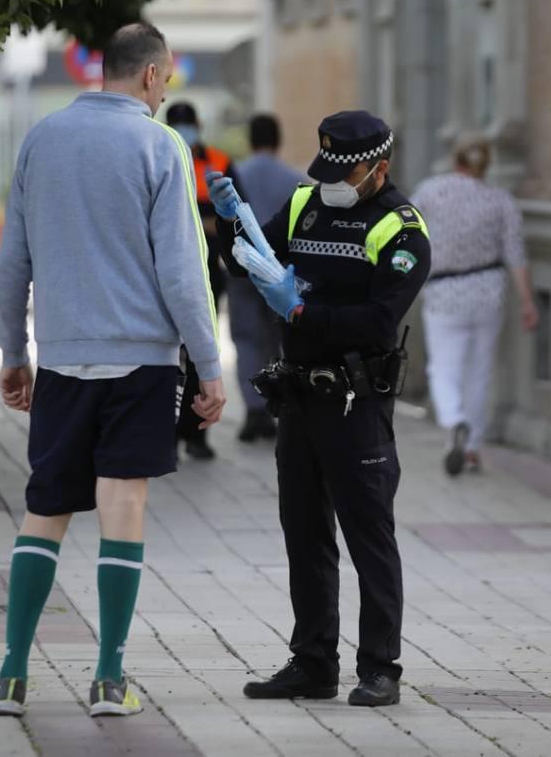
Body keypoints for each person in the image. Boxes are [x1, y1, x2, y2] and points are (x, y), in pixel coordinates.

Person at [0, 22, 226, 720]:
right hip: (142, 362)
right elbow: (183, 274)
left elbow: (12, 267)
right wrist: (209, 366)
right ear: (151, 76)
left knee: (46, 508)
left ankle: (10, 675)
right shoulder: (161, 145)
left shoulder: (42, 139)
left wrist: (13, 353)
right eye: (168, 77)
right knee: (124, 506)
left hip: (62, 360)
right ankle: (108, 680)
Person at [209, 110, 431, 708]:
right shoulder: (308, 202)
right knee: (304, 533)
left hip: (356, 401)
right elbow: (249, 262)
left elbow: (381, 319)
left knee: (368, 536)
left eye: (346, 168)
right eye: (326, 165)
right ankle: (313, 662)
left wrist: (304, 312)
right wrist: (231, 226)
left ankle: (380, 666)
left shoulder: (401, 229)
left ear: (378, 168)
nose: (332, 178)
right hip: (300, 396)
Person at [412, 132, 538, 476]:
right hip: (487, 291)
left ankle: (453, 421)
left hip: (443, 292)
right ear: (486, 165)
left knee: (443, 368)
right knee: (478, 372)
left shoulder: (430, 191)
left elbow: (406, 231)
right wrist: (527, 301)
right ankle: (471, 448)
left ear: (455, 160)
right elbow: (516, 254)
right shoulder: (500, 200)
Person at [165, 100, 237, 461]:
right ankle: (167, 434)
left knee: (200, 350)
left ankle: (196, 433)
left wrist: (211, 225)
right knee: (167, 353)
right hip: (163, 274)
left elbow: (235, 213)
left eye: (186, 125)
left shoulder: (219, 163)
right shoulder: (158, 156)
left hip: (207, 271)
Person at [227, 113, 306, 443]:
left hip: (242, 269)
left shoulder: (236, 176)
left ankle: (253, 410)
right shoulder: (294, 180)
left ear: (250, 140)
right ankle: (280, 406)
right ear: (278, 140)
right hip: (281, 273)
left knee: (246, 339)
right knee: (281, 338)